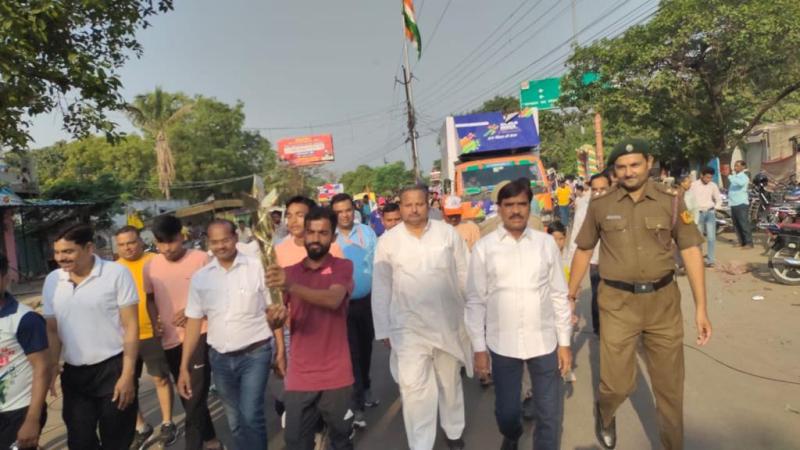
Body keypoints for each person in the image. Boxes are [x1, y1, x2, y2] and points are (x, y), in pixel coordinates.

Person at [569, 139, 712, 450]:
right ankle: (606, 412)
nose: (629, 172)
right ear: (614, 170)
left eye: (635, 164)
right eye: (621, 167)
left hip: (663, 305)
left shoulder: (671, 200)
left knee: (670, 389)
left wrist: (701, 307)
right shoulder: (601, 204)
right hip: (617, 305)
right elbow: (583, 250)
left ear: (649, 162)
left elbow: (690, 250)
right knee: (617, 385)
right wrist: (570, 296)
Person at [466, 179, 572, 450]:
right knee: (507, 412)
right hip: (503, 343)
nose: (516, 210)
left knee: (548, 414)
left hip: (543, 341)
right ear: (499, 208)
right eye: (509, 205)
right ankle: (511, 434)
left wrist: (564, 343)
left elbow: (559, 295)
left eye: (521, 204)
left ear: (529, 207)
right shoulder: (484, 248)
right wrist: (479, 348)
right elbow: (475, 301)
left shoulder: (546, 244)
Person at [372, 185, 471, 450]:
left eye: (419, 203)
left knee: (449, 382)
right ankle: (421, 444)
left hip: (447, 323)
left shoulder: (447, 234)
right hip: (408, 328)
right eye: (408, 204)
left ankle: (453, 432)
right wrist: (383, 330)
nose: (414, 209)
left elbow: (465, 273)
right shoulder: (388, 242)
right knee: (414, 391)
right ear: (400, 207)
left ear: (428, 205)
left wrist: (471, 316)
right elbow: (381, 287)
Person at [178, 220, 276, 450]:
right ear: (208, 243)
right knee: (235, 421)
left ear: (235, 238)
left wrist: (280, 350)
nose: (221, 246)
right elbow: (193, 323)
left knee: (250, 415)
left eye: (225, 240)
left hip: (255, 353)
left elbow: (274, 310)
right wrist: (184, 366)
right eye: (215, 242)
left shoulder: (257, 268)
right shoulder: (201, 278)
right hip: (220, 359)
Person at [265, 207, 356, 450]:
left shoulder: (343, 267)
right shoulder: (289, 272)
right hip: (300, 375)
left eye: (323, 233)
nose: (316, 238)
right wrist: (274, 320)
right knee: (295, 442)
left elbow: (333, 299)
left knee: (341, 441)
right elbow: (277, 317)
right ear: (303, 235)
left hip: (336, 374)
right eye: (311, 232)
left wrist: (291, 286)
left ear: (333, 237)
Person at [43, 224, 140, 449]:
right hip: (74, 374)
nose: (61, 258)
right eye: (57, 252)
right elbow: (52, 329)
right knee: (80, 440)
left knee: (116, 440)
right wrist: (53, 365)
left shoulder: (116, 273)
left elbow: (131, 326)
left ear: (89, 248)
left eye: (68, 251)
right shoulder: (53, 280)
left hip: (113, 369)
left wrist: (128, 375)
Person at [145, 216, 222, 450]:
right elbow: (150, 299)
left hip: (201, 334)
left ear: (181, 236)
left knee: (194, 395)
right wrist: (155, 323)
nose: (167, 248)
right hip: (170, 339)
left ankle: (194, 445)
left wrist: (192, 310)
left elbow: (218, 294)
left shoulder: (201, 259)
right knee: (188, 396)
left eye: (171, 241)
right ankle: (212, 442)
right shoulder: (151, 266)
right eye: (161, 242)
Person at [114, 226, 177, 448]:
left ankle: (168, 422)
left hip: (152, 332)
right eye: (122, 244)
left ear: (141, 241)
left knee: (160, 378)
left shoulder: (156, 262)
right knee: (127, 384)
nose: (127, 248)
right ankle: (141, 426)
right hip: (124, 337)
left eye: (131, 242)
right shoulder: (113, 270)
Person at [331, 193, 379, 429]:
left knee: (366, 348)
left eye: (348, 210)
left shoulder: (367, 233)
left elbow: (378, 264)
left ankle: (366, 386)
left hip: (368, 302)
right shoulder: (329, 239)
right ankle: (357, 405)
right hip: (342, 306)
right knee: (352, 355)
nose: (344, 215)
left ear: (354, 210)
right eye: (339, 212)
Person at [0, 252, 49, 450]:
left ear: (5, 278)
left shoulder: (25, 319)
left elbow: (42, 369)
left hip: (19, 412)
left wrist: (32, 419)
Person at [568, 172, 611, 335]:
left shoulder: (621, 206)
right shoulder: (584, 210)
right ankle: (599, 330)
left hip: (618, 262)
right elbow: (576, 243)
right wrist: (573, 281)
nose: (598, 193)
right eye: (595, 189)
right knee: (598, 295)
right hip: (596, 261)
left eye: (603, 189)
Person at [276, 196, 344, 267]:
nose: (293, 221)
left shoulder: (331, 248)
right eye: (289, 216)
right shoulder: (279, 250)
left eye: (300, 215)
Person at [690, 167, 722, 267]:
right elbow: (690, 198)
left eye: (710, 177)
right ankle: (698, 259)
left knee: (711, 237)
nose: (709, 179)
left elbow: (718, 199)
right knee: (699, 238)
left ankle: (710, 260)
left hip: (710, 212)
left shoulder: (713, 185)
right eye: (707, 177)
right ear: (701, 175)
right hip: (698, 213)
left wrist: (715, 208)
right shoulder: (694, 185)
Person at [729, 160, 753, 248]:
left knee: (743, 224)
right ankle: (741, 241)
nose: (735, 167)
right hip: (733, 203)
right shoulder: (734, 176)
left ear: (743, 167)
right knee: (736, 225)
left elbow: (740, 184)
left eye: (737, 166)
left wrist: (729, 176)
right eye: (735, 165)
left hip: (741, 204)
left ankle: (749, 243)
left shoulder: (744, 176)